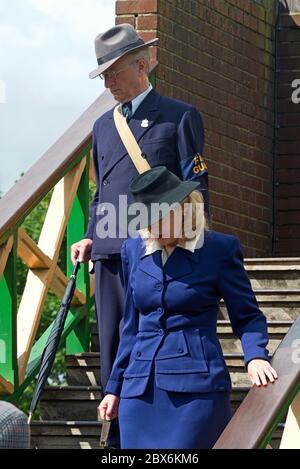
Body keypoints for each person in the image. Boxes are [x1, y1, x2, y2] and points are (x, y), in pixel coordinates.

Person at [71, 24, 209, 447]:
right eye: (104, 75)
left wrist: (188, 244)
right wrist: (90, 236)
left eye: (114, 72)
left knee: (157, 337)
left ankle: (158, 429)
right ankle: (117, 439)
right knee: (113, 345)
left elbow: (197, 187)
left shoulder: (180, 115)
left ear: (142, 64)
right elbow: (101, 192)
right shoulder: (101, 126)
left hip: (157, 251)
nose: (109, 82)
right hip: (111, 253)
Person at [99, 166, 278, 449]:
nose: (154, 227)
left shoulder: (219, 249)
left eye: (160, 217)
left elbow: (247, 315)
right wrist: (114, 387)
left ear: (184, 209)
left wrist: (255, 355)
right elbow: (132, 327)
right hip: (139, 392)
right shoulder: (133, 250)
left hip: (196, 391)